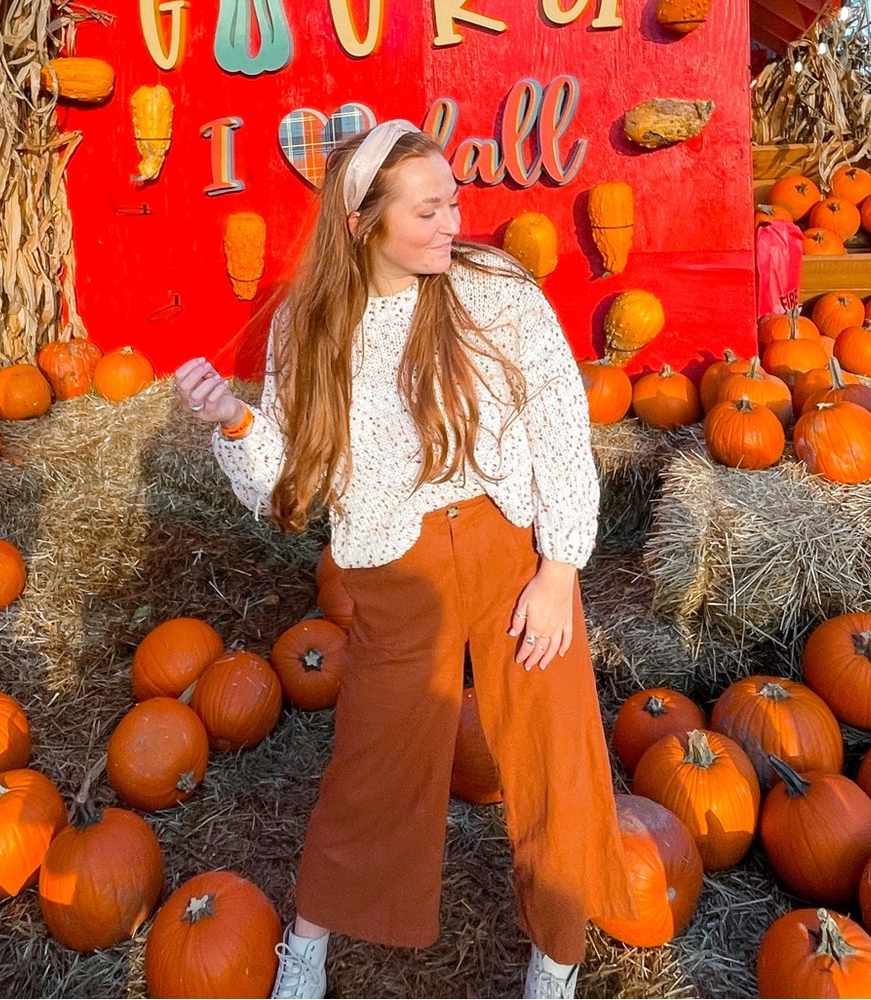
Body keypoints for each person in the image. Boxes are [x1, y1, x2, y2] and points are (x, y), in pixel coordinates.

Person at [173, 119, 635, 1000]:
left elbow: (560, 427)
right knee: (372, 767)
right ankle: (305, 946)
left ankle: (558, 958)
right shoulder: (312, 328)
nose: (452, 223)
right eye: (428, 211)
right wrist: (231, 422)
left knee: (554, 755)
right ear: (362, 224)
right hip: (395, 564)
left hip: (512, 552)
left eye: (454, 201)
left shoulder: (494, 288)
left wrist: (560, 569)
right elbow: (290, 486)